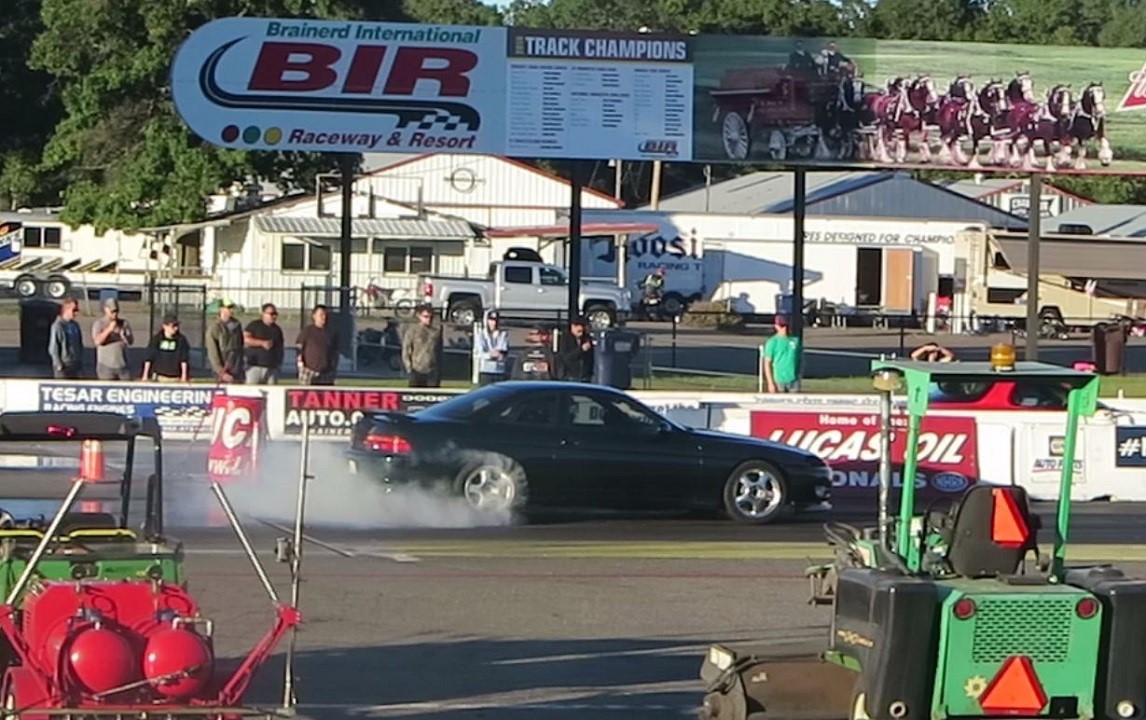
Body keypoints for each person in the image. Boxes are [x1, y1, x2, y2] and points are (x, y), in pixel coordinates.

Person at [295, 304, 340, 385]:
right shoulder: (307, 331)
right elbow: (299, 349)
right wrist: (301, 367)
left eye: (325, 315)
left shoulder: (331, 333)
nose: (324, 317)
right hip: (308, 372)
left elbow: (335, 352)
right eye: (321, 315)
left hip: (326, 374)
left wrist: (333, 368)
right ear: (314, 316)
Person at [91, 297, 134, 381]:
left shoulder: (124, 323)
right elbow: (97, 341)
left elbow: (131, 341)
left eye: (116, 311)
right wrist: (109, 329)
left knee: (126, 387)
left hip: (122, 365)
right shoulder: (99, 323)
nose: (115, 314)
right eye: (112, 311)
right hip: (106, 366)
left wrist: (125, 336)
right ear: (106, 310)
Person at [402, 303, 443, 387]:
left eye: (431, 317)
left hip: (432, 371)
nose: (429, 319)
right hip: (416, 370)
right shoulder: (412, 331)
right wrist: (409, 368)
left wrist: (439, 370)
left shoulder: (436, 333)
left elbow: (439, 352)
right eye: (426, 317)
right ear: (419, 316)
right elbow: (406, 350)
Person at [141, 315, 190, 382]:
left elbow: (184, 359)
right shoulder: (156, 339)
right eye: (173, 326)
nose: (176, 328)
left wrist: (184, 377)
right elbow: (149, 358)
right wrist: (145, 376)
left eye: (177, 325)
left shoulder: (181, 340)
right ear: (164, 326)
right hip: (159, 377)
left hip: (175, 377)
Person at [244, 302, 284, 384]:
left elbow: (280, 347)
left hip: (271, 368)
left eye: (275, 314)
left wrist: (279, 363)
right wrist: (262, 343)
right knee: (251, 390)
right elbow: (246, 339)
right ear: (263, 314)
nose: (274, 316)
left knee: (272, 390)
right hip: (254, 367)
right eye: (271, 314)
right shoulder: (254, 325)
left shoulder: (277, 329)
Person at [206, 299, 244, 383]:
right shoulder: (214, 327)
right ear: (221, 309)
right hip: (223, 365)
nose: (231, 310)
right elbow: (212, 352)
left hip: (237, 365)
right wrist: (220, 371)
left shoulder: (237, 324)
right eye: (228, 307)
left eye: (232, 307)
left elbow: (241, 344)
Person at [762, 314, 801, 393]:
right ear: (776, 326)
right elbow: (767, 363)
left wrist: (799, 375)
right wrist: (770, 383)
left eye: (785, 325)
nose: (784, 328)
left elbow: (799, 359)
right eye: (781, 326)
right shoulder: (772, 342)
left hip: (793, 380)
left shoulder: (795, 341)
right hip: (778, 380)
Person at [48, 298, 84, 379]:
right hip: (64, 365)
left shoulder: (75, 325)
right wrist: (59, 365)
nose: (76, 313)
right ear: (66, 310)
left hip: (75, 364)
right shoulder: (58, 325)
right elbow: (53, 347)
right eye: (74, 310)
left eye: (77, 310)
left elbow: (79, 344)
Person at [475, 309, 509, 385]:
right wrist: (490, 355)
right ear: (486, 321)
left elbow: (503, 350)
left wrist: (498, 354)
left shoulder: (503, 335)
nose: (494, 323)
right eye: (491, 320)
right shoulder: (481, 335)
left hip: (499, 371)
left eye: (496, 320)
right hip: (486, 371)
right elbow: (480, 353)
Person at [557, 317, 595, 382]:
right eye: (578, 330)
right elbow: (566, 357)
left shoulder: (586, 338)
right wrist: (581, 350)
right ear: (572, 327)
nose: (581, 331)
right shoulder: (565, 339)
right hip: (571, 376)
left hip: (585, 377)